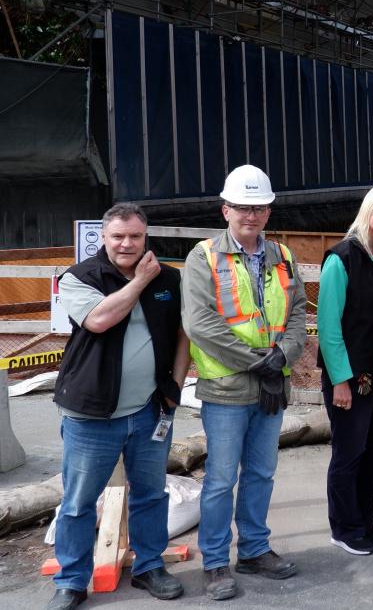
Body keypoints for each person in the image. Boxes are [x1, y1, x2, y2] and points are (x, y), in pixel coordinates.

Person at [48, 203, 189, 610]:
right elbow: (99, 320)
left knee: (151, 495)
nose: (127, 244)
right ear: (104, 238)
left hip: (149, 411)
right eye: (118, 236)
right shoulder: (79, 277)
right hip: (91, 415)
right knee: (77, 503)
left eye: (136, 236)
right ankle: (71, 581)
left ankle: (149, 568)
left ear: (147, 237)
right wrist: (140, 280)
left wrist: (175, 385)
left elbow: (182, 333)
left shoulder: (170, 279)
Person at [182, 165, 307, 600]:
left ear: (268, 213)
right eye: (242, 208)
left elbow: (297, 315)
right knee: (219, 478)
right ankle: (215, 563)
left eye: (258, 208)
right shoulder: (203, 257)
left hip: (271, 386)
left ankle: (253, 549)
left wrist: (283, 356)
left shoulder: (284, 257)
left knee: (261, 473)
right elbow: (200, 324)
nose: (250, 216)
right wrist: (260, 363)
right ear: (226, 210)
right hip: (228, 390)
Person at [317, 185, 373, 556]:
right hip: (349, 377)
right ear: (368, 210)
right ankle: (344, 526)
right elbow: (328, 326)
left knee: (371, 452)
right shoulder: (341, 258)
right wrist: (340, 380)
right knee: (348, 453)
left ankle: (364, 521)